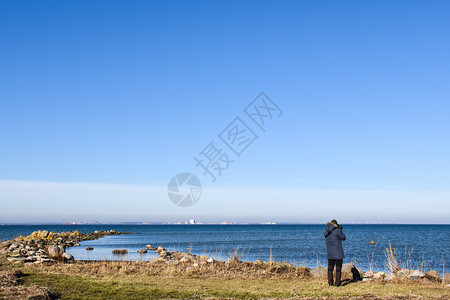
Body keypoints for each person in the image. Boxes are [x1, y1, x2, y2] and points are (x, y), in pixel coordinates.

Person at [324, 219, 346, 286]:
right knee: (338, 268)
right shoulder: (337, 231)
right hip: (338, 253)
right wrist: (340, 230)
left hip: (330, 253)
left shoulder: (326, 232)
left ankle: (330, 283)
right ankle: (337, 283)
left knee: (330, 268)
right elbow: (344, 238)